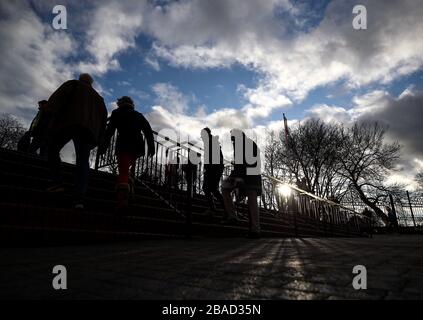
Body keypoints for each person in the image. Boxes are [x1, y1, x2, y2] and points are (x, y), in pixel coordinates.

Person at [46, 73, 108, 210]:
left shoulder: (73, 84)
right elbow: (104, 119)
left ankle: (56, 182)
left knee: (52, 149)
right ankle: (79, 197)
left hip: (68, 122)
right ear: (91, 83)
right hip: (88, 131)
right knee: (82, 161)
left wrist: (49, 115)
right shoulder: (99, 98)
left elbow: (56, 99)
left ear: (81, 79)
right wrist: (100, 138)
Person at [99, 96, 155, 209]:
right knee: (126, 168)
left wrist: (104, 146)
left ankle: (122, 199)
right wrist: (151, 147)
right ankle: (129, 188)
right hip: (137, 146)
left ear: (120, 104)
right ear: (131, 104)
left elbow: (109, 131)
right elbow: (148, 131)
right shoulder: (138, 115)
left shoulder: (117, 113)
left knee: (123, 171)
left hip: (124, 144)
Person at [221, 129, 262, 238]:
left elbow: (250, 163)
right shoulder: (240, 144)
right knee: (225, 188)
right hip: (243, 176)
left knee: (252, 201)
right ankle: (232, 216)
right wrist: (233, 177)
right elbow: (239, 164)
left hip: (251, 177)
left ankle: (255, 230)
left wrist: (240, 177)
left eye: (233, 137)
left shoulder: (247, 144)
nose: (232, 140)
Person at [201, 127, 224, 216]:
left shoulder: (210, 142)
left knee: (208, 188)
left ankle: (214, 208)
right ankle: (226, 209)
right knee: (212, 189)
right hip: (215, 167)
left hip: (214, 168)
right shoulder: (212, 141)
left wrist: (207, 167)